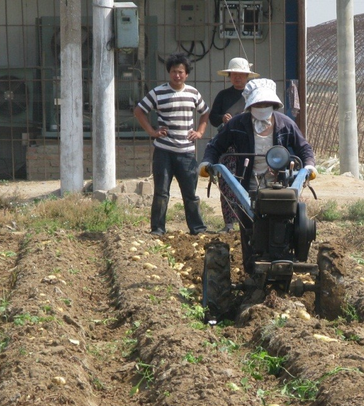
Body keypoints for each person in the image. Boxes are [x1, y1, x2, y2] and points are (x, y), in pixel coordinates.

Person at [200, 78, 316, 273]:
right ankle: (251, 270)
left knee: (286, 223)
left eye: (266, 104)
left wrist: (310, 166)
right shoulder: (237, 124)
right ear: (250, 104)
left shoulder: (285, 124)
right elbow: (215, 146)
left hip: (280, 184)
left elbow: (304, 148)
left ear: (273, 104)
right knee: (248, 228)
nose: (262, 107)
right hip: (248, 185)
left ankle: (286, 259)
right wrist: (207, 163)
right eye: (258, 104)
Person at [134, 53, 210, 236]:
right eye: (174, 71)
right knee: (161, 193)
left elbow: (205, 113)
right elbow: (138, 111)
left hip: (186, 153)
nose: (177, 75)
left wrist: (199, 132)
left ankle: (197, 229)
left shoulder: (193, 93)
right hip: (164, 151)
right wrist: (152, 132)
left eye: (181, 72)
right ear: (169, 73)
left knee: (190, 194)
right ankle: (158, 229)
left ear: (187, 74)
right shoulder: (158, 92)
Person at [209, 57, 258, 233]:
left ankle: (251, 220)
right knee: (227, 183)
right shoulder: (223, 95)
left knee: (251, 182)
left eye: (241, 75)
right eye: (234, 75)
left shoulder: (254, 95)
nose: (237, 78)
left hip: (250, 145)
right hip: (228, 145)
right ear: (229, 76)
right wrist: (223, 118)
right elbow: (212, 118)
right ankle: (229, 223)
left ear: (247, 76)